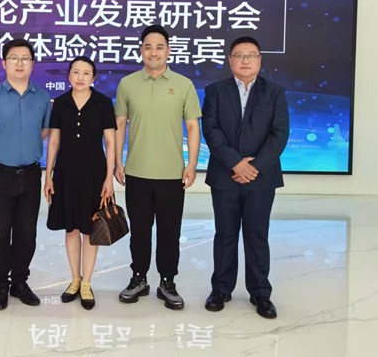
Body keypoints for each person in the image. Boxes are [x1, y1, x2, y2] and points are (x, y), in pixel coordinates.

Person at [201, 36, 289, 319]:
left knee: (257, 235)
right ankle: (221, 289)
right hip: (224, 175)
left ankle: (261, 293)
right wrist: (235, 163)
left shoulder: (275, 92)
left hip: (261, 178)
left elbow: (279, 134)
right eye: (239, 55)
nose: (245, 60)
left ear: (260, 60)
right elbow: (211, 130)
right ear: (230, 60)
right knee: (225, 234)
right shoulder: (215, 91)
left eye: (251, 55)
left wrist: (255, 167)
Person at [114, 24, 201, 310]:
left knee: (169, 232)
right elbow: (119, 125)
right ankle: (138, 278)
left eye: (159, 47)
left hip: (172, 174)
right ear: (141, 50)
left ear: (168, 51)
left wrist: (192, 164)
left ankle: (167, 282)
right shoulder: (128, 84)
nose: (154, 52)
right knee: (139, 230)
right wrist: (117, 162)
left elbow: (192, 126)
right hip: (136, 172)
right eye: (148, 47)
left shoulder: (184, 85)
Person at [0, 38, 52, 310]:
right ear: (4, 63)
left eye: (25, 58)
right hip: (0, 175)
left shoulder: (42, 98)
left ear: (32, 64)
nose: (19, 63)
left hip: (30, 175)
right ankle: (1, 284)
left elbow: (44, 130)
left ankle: (19, 282)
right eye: (14, 58)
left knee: (27, 233)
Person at [43, 57, 116, 310]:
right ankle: (74, 279)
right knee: (71, 228)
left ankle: (87, 283)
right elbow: (54, 141)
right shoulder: (61, 103)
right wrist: (48, 174)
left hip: (94, 173)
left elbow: (110, 142)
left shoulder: (103, 103)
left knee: (90, 229)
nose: (80, 77)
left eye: (86, 73)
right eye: (76, 72)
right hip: (65, 173)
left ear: (93, 78)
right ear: (68, 76)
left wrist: (109, 178)